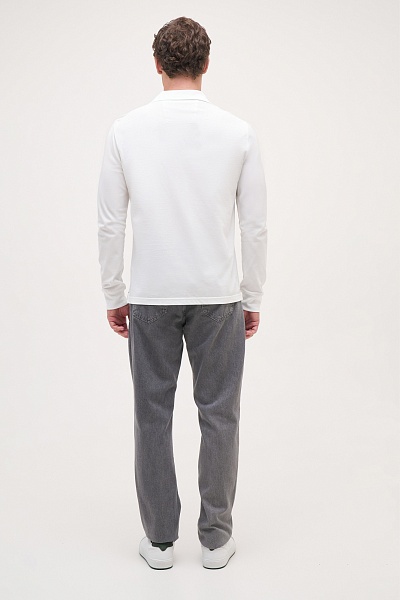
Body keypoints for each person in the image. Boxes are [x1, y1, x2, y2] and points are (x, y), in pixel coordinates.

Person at [97, 16, 268, 570]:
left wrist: (114, 291)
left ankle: (160, 542)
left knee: (152, 415)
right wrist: (252, 296)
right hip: (218, 295)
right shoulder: (238, 132)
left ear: (157, 64)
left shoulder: (125, 130)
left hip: (151, 294)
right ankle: (216, 538)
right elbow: (254, 227)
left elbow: (110, 223)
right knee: (220, 416)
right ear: (207, 63)